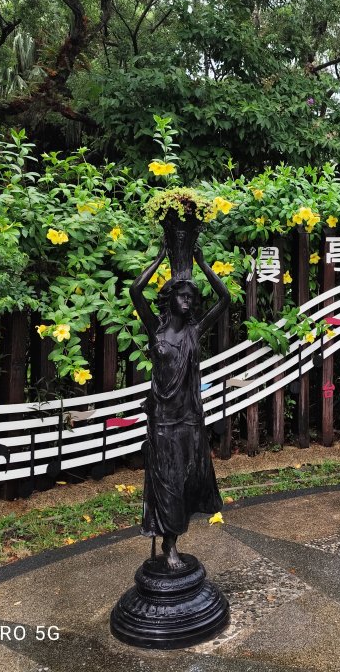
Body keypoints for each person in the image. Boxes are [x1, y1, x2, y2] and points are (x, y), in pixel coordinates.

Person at [130, 243, 229, 569]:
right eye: (182, 295)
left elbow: (225, 300)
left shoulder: (193, 332)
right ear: (170, 297)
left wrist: (202, 263)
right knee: (167, 480)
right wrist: (159, 258)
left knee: (187, 478)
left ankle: (173, 537)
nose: (188, 301)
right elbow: (135, 291)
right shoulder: (155, 329)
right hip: (162, 417)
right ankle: (169, 546)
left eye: (191, 297)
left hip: (188, 416)